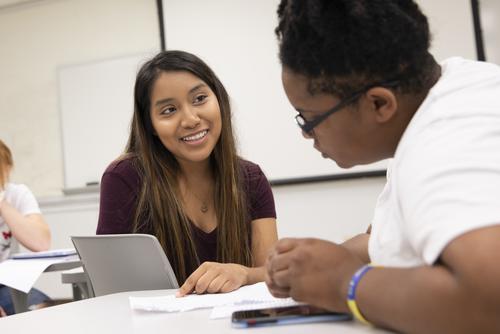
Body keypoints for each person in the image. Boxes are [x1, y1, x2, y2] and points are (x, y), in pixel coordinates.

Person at [265, 1, 500, 333]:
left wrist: (346, 282)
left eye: (309, 118)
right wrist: (314, 263)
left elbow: (489, 301)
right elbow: (394, 240)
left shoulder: (444, 142)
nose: (306, 134)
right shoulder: (456, 87)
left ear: (378, 103)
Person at [97, 50, 278, 296]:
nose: (191, 119)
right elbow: (110, 292)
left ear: (219, 99)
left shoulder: (250, 178)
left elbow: (272, 274)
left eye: (200, 98)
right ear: (150, 124)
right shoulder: (125, 178)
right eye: (169, 110)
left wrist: (244, 274)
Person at [0, 139, 52, 316]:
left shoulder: (16, 194)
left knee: (46, 312)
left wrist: (2, 203)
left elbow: (41, 243)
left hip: (7, 284)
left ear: (7, 168)